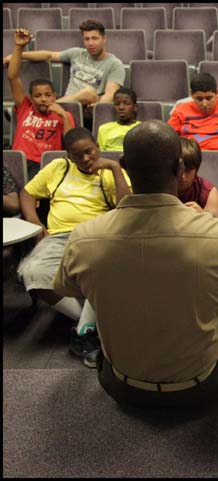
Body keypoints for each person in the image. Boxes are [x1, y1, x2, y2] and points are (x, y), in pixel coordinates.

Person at [53, 120, 218, 410]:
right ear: (181, 168)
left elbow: (65, 287)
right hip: (201, 387)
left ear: (124, 164)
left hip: (120, 385)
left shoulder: (84, 237)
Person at [17, 127, 131, 367]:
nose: (86, 159)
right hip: (58, 237)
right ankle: (88, 325)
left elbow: (126, 207)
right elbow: (27, 194)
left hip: (97, 235)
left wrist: (114, 168)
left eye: (89, 152)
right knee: (30, 272)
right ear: (68, 155)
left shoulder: (110, 171)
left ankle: (86, 332)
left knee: (98, 269)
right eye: (78, 155)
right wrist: (37, 226)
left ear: (97, 147)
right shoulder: (58, 168)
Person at [3, 20, 125, 116]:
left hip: (86, 108)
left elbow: (110, 95)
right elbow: (48, 55)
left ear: (104, 39)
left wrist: (97, 107)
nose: (91, 43)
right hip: (66, 106)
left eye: (95, 38)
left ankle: (40, 109)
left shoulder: (115, 64)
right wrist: (16, 56)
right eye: (87, 39)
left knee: (89, 92)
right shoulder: (76, 53)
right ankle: (50, 107)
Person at [168, 72, 218, 203]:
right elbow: (169, 136)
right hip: (188, 159)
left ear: (217, 92)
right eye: (199, 99)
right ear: (191, 94)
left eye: (209, 98)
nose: (204, 104)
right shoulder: (181, 110)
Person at [7, 28, 75, 181]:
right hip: (19, 162)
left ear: (54, 96)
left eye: (48, 95)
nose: (43, 99)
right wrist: (19, 46)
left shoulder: (64, 115)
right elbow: (12, 76)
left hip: (46, 165)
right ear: (31, 98)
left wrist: (63, 115)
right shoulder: (25, 108)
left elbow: (72, 144)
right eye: (38, 96)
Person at [177, 137, 218, 218]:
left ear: (196, 169)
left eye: (188, 171)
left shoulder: (208, 192)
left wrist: (202, 215)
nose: (183, 176)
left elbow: (214, 227)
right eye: (179, 170)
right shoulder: (160, 188)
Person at [96, 87, 141, 151]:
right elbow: (101, 154)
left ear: (135, 107)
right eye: (117, 104)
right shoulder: (103, 129)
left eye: (126, 104)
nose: (121, 107)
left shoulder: (142, 129)